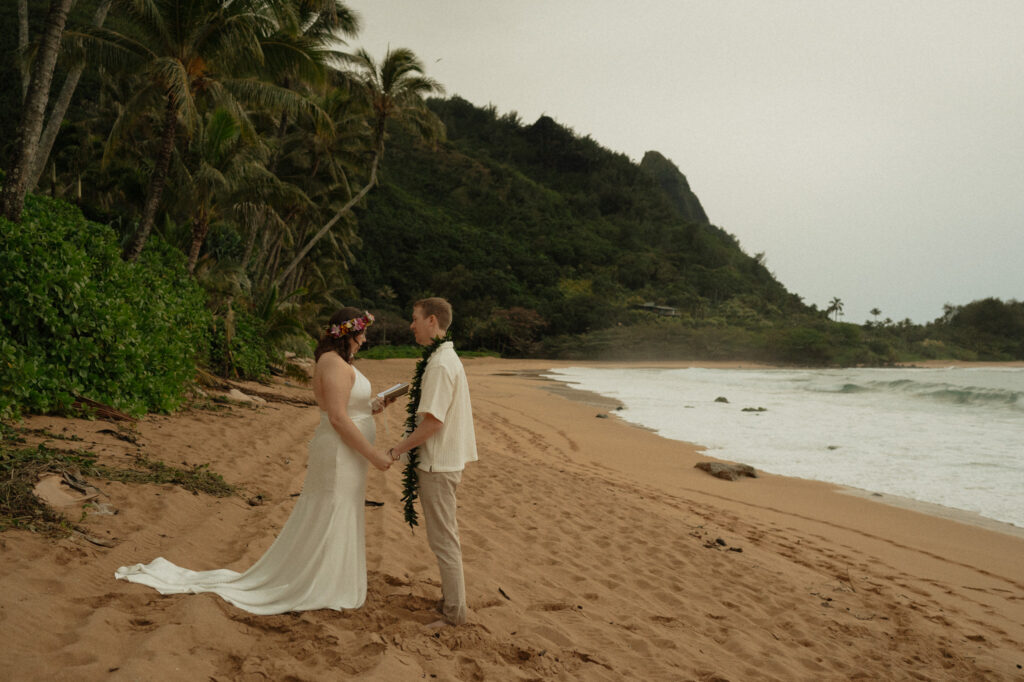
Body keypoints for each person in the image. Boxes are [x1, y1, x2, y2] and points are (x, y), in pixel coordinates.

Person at [115, 307, 394, 615]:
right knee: (331, 510)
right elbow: (338, 418)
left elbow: (346, 409)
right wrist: (374, 455)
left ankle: (328, 577)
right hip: (341, 454)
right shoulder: (334, 364)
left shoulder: (338, 362)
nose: (365, 339)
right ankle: (319, 582)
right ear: (348, 334)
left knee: (337, 510)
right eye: (362, 333)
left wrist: (372, 407)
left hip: (347, 454)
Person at [388, 297, 478, 626]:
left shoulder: (440, 364)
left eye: (415, 318)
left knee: (443, 540)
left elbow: (434, 421)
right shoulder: (442, 358)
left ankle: (455, 614)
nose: (410, 325)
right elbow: (423, 391)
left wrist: (397, 450)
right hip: (442, 462)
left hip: (439, 464)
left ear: (432, 321)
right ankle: (450, 603)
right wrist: (391, 397)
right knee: (443, 537)